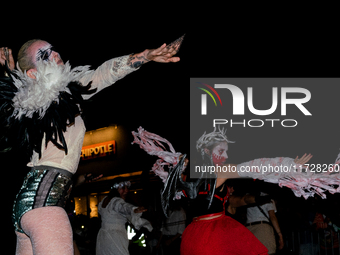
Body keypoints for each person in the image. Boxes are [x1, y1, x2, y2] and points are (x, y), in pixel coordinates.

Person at [0, 35, 184, 255]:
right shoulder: (44, 96)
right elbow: (102, 75)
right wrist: (12, 78)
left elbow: (102, 74)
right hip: (44, 204)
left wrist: (145, 56)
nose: (55, 54)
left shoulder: (47, 98)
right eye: (45, 55)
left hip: (28, 206)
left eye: (53, 49)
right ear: (32, 74)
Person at [132, 126, 313, 255]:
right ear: (206, 151)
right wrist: (288, 164)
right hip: (213, 234)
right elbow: (255, 166)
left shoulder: (187, 173)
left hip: (193, 235)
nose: (226, 156)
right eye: (221, 150)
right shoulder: (215, 171)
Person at [96, 177, 153, 255]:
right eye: (123, 188)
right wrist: (133, 209)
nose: (126, 190)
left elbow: (126, 216)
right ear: (114, 189)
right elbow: (123, 207)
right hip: (115, 237)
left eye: (127, 188)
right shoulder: (116, 201)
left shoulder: (104, 200)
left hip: (103, 237)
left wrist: (145, 223)